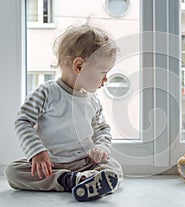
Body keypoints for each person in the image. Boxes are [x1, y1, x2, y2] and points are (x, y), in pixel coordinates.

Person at [5, 24, 123, 202]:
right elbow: (23, 121)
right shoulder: (47, 92)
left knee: (114, 167)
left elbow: (102, 128)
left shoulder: (93, 99)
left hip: (84, 162)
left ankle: (85, 178)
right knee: (13, 172)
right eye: (103, 72)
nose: (105, 79)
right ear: (79, 66)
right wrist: (37, 152)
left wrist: (101, 147)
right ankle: (69, 180)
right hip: (50, 164)